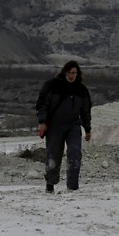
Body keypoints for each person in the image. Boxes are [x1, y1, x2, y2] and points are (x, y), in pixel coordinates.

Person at [34, 60, 92, 193]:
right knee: (53, 155)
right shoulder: (52, 86)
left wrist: (87, 128)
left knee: (74, 153)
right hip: (55, 125)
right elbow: (42, 104)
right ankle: (50, 183)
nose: (72, 75)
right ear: (65, 72)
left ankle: (72, 187)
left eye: (75, 73)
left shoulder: (81, 90)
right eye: (70, 72)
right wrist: (42, 122)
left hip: (73, 125)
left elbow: (85, 111)